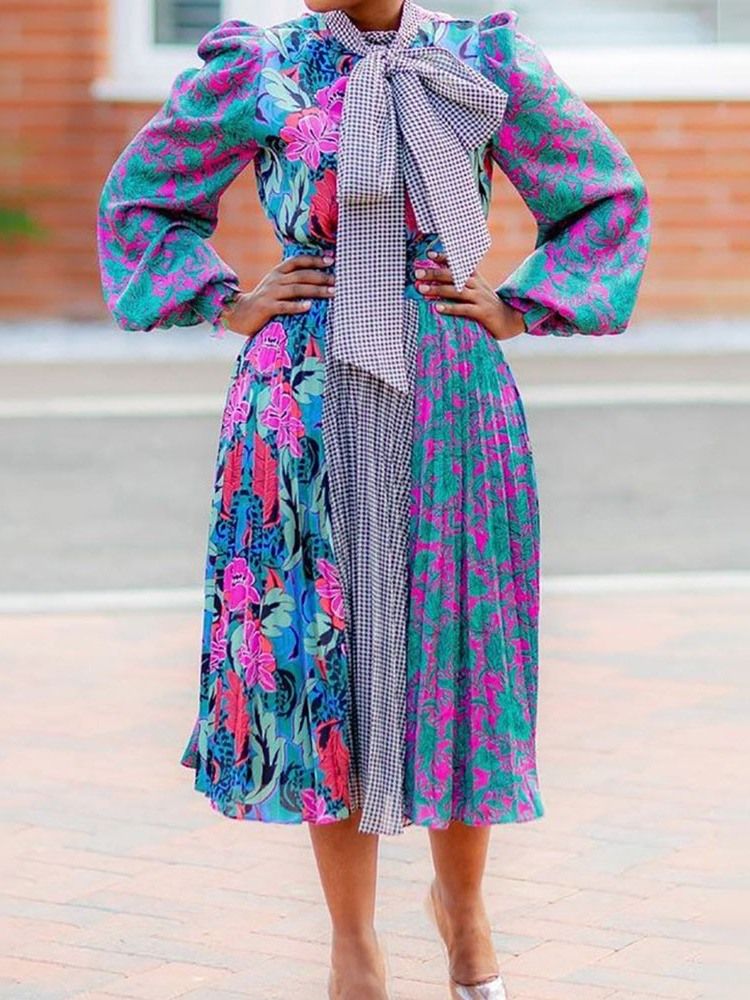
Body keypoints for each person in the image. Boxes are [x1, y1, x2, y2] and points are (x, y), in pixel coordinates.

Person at [96, 1, 651, 997]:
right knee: (323, 655)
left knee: (457, 645)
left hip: (450, 389)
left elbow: (604, 196)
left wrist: (521, 304)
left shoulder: (482, 60)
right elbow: (140, 198)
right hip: (301, 396)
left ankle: (464, 910)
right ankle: (352, 942)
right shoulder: (258, 66)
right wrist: (228, 301)